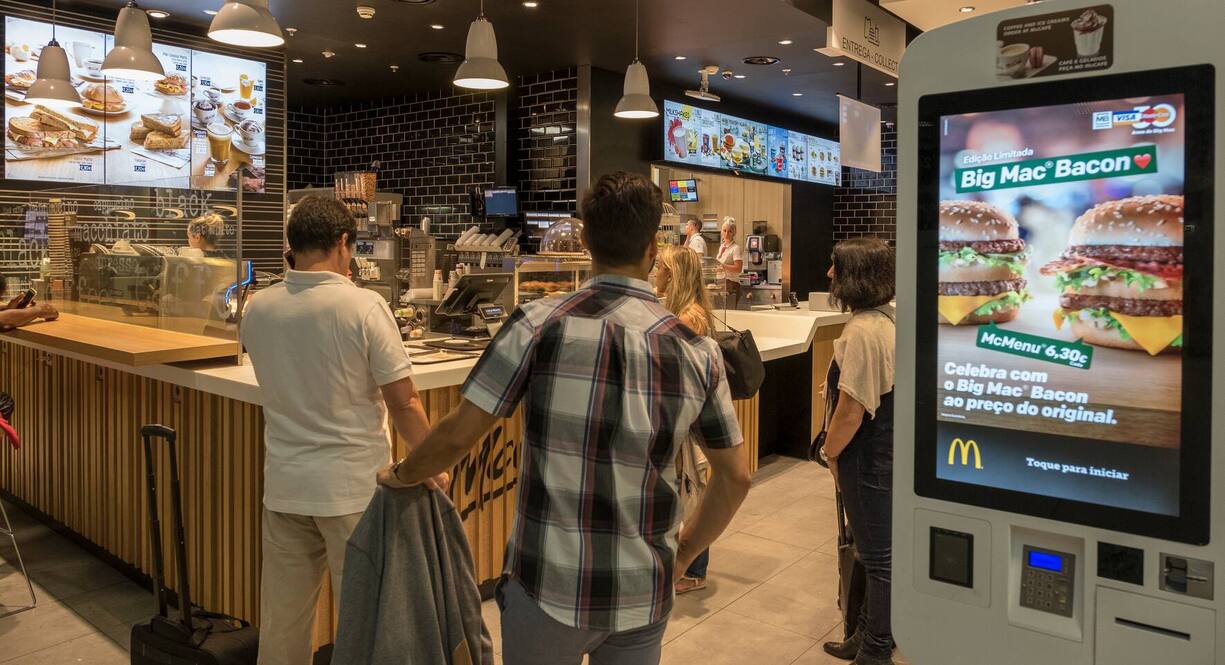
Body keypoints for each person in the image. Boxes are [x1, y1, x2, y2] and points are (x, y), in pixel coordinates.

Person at [379, 171, 752, 665]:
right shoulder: (697, 351)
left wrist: (402, 474)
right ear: (652, 249)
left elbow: (455, 435)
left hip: (547, 585)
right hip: (644, 591)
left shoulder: (538, 324)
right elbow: (735, 476)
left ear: (587, 242)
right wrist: (681, 555)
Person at [240, 196, 444, 665]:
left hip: (285, 488)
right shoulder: (364, 306)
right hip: (353, 493)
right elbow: (405, 401)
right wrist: (432, 463)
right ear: (344, 243)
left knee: (283, 623)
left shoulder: (258, 307)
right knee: (366, 622)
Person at [818, 237, 897, 665]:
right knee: (871, 551)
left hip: (867, 458)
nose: (829, 275)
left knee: (879, 557)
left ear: (856, 274)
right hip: (882, 454)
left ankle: (875, 649)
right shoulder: (887, 318)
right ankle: (864, 635)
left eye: (835, 267)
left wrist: (830, 452)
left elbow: (851, 408)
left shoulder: (864, 330)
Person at [655, 245, 717, 595]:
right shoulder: (683, 310)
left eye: (662, 269)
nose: (657, 274)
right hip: (685, 417)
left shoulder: (687, 317)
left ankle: (693, 570)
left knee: (692, 491)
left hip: (686, 420)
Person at [715, 217, 744, 308]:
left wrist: (723, 266)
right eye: (724, 230)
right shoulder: (722, 247)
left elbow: (738, 268)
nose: (726, 233)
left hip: (731, 284)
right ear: (721, 231)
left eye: (730, 231)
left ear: (734, 233)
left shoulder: (735, 248)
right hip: (721, 283)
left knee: (729, 313)